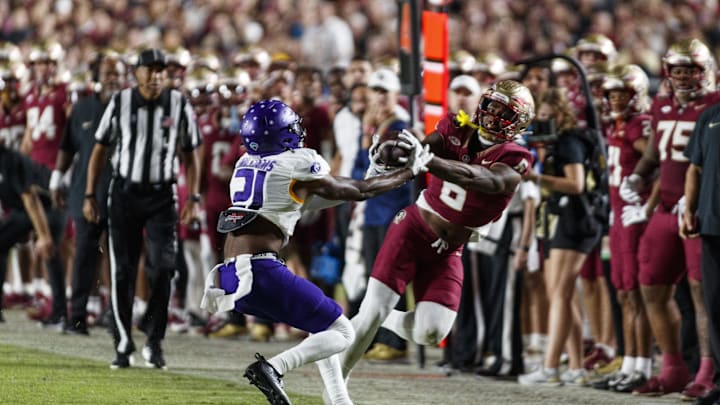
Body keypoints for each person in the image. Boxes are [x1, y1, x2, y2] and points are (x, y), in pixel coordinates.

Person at [200, 99, 430, 405]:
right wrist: (408, 173)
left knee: (323, 327)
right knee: (343, 331)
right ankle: (273, 368)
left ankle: (339, 401)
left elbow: (316, 197)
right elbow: (358, 191)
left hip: (232, 274)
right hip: (259, 271)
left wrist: (372, 170)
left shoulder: (246, 163)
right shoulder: (296, 163)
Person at [338, 80, 535, 386]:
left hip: (450, 249)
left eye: (503, 111)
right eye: (491, 106)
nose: (492, 114)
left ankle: (374, 314)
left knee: (431, 332)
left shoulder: (516, 157)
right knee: (373, 311)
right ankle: (336, 385)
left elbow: (480, 178)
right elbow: (419, 153)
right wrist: (392, 152)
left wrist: (429, 161)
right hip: (414, 228)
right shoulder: (456, 127)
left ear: (518, 121)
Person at [83, 48, 201, 370]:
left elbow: (191, 154)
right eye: (149, 70)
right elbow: (99, 149)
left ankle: (153, 336)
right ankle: (122, 341)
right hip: (124, 193)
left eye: (161, 70)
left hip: (163, 195)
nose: (155, 76)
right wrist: (90, 194)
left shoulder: (179, 104)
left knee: (165, 266)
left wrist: (194, 197)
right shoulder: (120, 102)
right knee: (123, 269)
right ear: (136, 73)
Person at [619, 38, 720, 398]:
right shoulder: (661, 105)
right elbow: (658, 152)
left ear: (706, 71)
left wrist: (695, 201)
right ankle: (673, 367)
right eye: (677, 70)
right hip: (665, 207)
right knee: (651, 286)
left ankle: (708, 370)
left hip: (695, 209)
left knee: (701, 292)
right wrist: (637, 176)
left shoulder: (714, 105)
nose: (683, 77)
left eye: (691, 70)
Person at [518, 88, 602, 386]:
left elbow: (576, 183)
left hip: (575, 219)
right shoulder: (553, 142)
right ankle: (576, 366)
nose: (542, 122)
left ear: (560, 115)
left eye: (547, 117)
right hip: (560, 219)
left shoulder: (568, 141)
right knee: (562, 297)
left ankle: (551, 366)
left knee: (560, 295)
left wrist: (537, 178)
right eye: (539, 117)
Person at [49, 50, 126, 335]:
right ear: (96, 77)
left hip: (122, 193)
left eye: (118, 74)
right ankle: (77, 316)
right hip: (86, 192)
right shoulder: (81, 108)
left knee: (121, 256)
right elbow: (67, 146)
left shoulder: (132, 107)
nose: (114, 80)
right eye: (108, 74)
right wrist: (57, 179)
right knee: (84, 254)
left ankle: (119, 316)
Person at [592, 64, 654, 392]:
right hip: (618, 216)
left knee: (634, 293)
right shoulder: (617, 125)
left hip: (633, 216)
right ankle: (629, 361)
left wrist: (645, 202)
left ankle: (642, 364)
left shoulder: (638, 126)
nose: (615, 100)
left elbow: (658, 159)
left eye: (621, 94)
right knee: (622, 293)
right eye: (611, 94)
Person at [0, 140, 65, 325]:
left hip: (50, 203)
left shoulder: (9, 159)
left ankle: (60, 314)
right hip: (24, 210)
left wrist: (43, 235)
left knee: (50, 250)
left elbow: (30, 196)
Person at [681, 100, 720, 405]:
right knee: (715, 304)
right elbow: (695, 166)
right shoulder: (710, 115)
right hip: (711, 223)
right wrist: (688, 210)